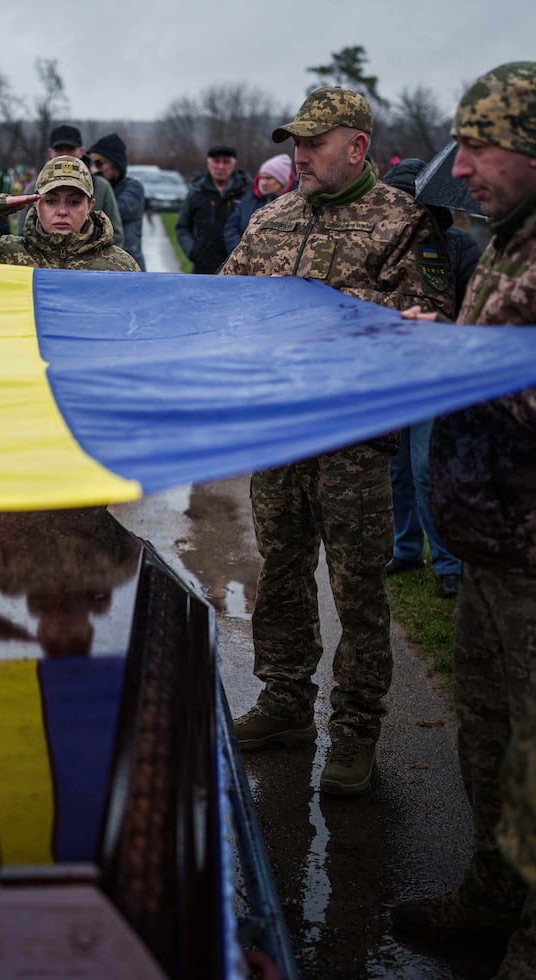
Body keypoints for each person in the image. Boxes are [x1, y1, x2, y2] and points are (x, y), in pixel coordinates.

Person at [219, 87, 454, 796]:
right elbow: (228, 300)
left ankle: (355, 727)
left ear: (357, 147)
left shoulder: (405, 221)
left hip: (354, 437)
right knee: (282, 572)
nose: (300, 153)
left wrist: (325, 313)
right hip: (281, 427)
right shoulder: (273, 217)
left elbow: (427, 319)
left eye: (314, 142)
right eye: (295, 141)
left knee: (358, 586)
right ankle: (286, 700)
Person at [389, 63, 536, 978]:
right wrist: (432, 336)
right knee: (487, 741)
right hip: (490, 556)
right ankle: (491, 899)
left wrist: (454, 368)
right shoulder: (506, 245)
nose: (463, 167)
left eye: (480, 146)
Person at [381, 157, 482, 599]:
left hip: (437, 376)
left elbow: (476, 315)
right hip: (391, 374)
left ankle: (448, 561)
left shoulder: (459, 246)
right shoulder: (383, 243)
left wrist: (439, 328)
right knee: (396, 469)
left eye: (408, 202)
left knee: (427, 469)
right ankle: (405, 548)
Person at [0, 154, 138, 273]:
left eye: (74, 202)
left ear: (90, 205)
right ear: (35, 204)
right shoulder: (4, 256)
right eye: (51, 201)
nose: (62, 211)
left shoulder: (119, 266)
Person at [15, 125, 123, 246]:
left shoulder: (101, 187)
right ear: (51, 152)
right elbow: (21, 234)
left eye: (75, 202)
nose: (65, 154)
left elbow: (115, 235)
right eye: (50, 201)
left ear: (81, 151)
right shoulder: (34, 188)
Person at [176, 145, 251, 274]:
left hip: (237, 267)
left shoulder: (246, 191)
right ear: (209, 164)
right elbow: (182, 226)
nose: (221, 167)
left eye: (226, 162)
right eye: (216, 162)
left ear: (234, 165)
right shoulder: (196, 191)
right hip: (202, 267)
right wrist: (193, 251)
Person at [86, 133, 146, 270]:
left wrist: (99, 186)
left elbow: (117, 211)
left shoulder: (133, 187)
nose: (93, 168)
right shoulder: (97, 187)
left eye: (99, 163)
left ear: (115, 165)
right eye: (91, 163)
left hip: (130, 261)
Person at [223, 153, 294, 255]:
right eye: (261, 177)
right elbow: (231, 227)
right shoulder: (248, 199)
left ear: (282, 181)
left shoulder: (296, 201)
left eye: (269, 178)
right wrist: (241, 252)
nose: (263, 182)